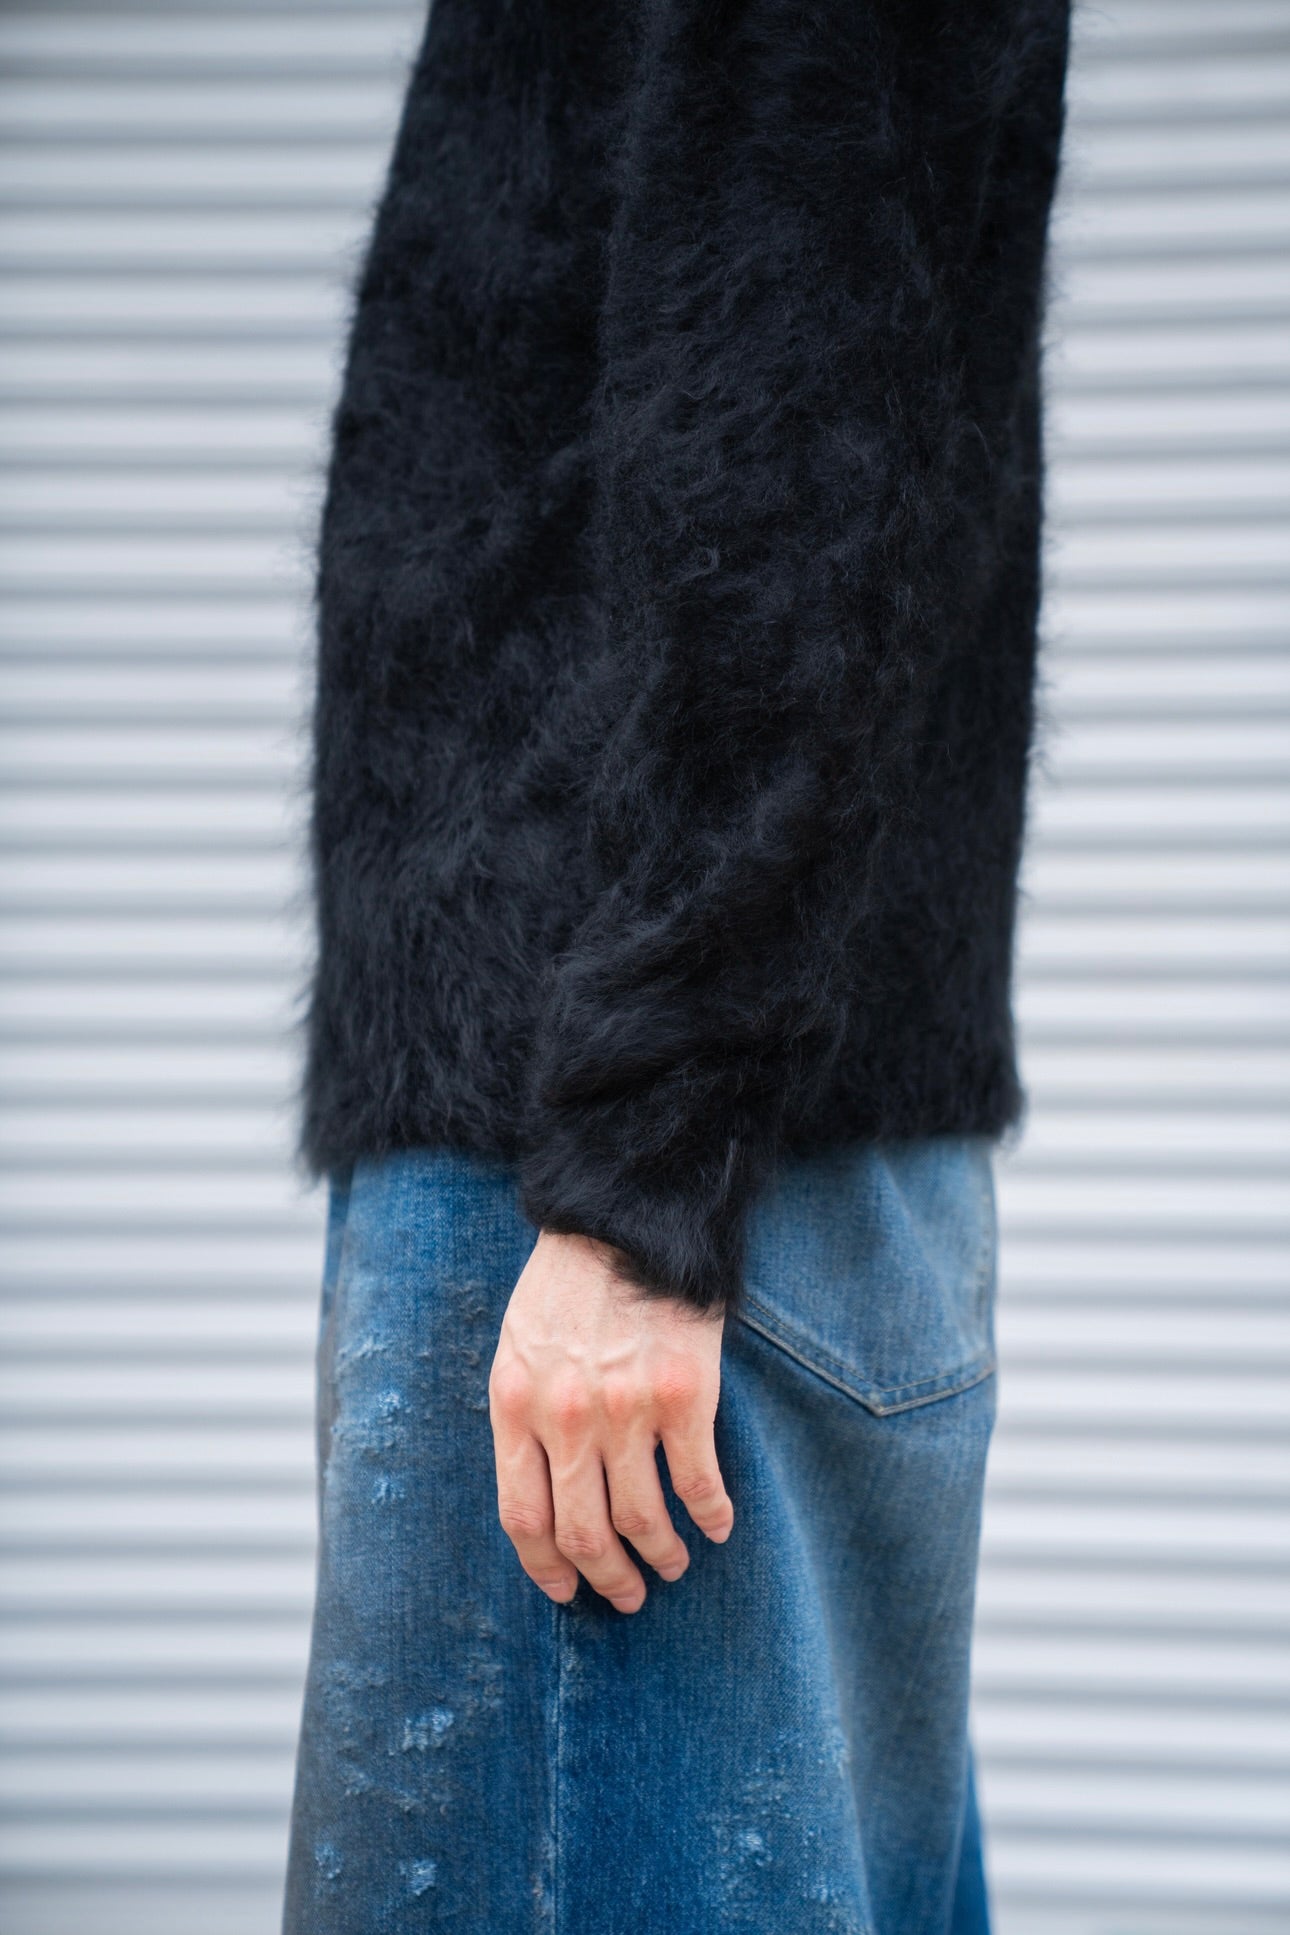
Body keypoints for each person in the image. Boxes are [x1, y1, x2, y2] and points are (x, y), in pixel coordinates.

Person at [282, 2, 1072, 1930]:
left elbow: (798, 376)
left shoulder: (627, 1174)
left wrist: (642, 1178)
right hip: (706, 1141)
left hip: (617, 1176)